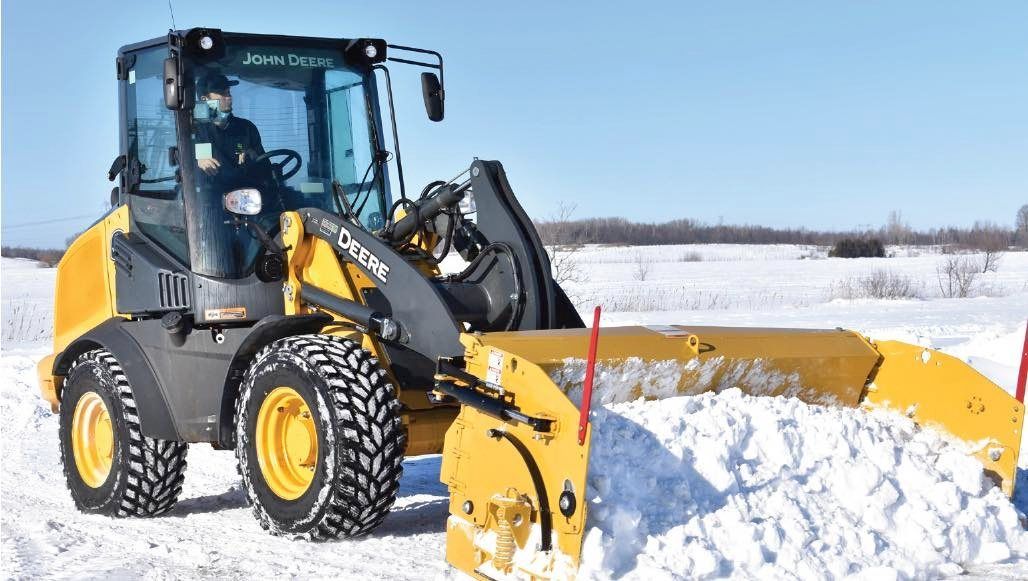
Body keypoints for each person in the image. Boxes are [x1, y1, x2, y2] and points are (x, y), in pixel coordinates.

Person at [194, 73, 273, 191]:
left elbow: (266, 169)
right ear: (205, 100)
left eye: (229, 92)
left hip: (248, 197)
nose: (229, 97)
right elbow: (186, 167)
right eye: (222, 93)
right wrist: (199, 161)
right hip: (207, 200)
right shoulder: (194, 129)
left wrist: (253, 155)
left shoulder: (246, 128)